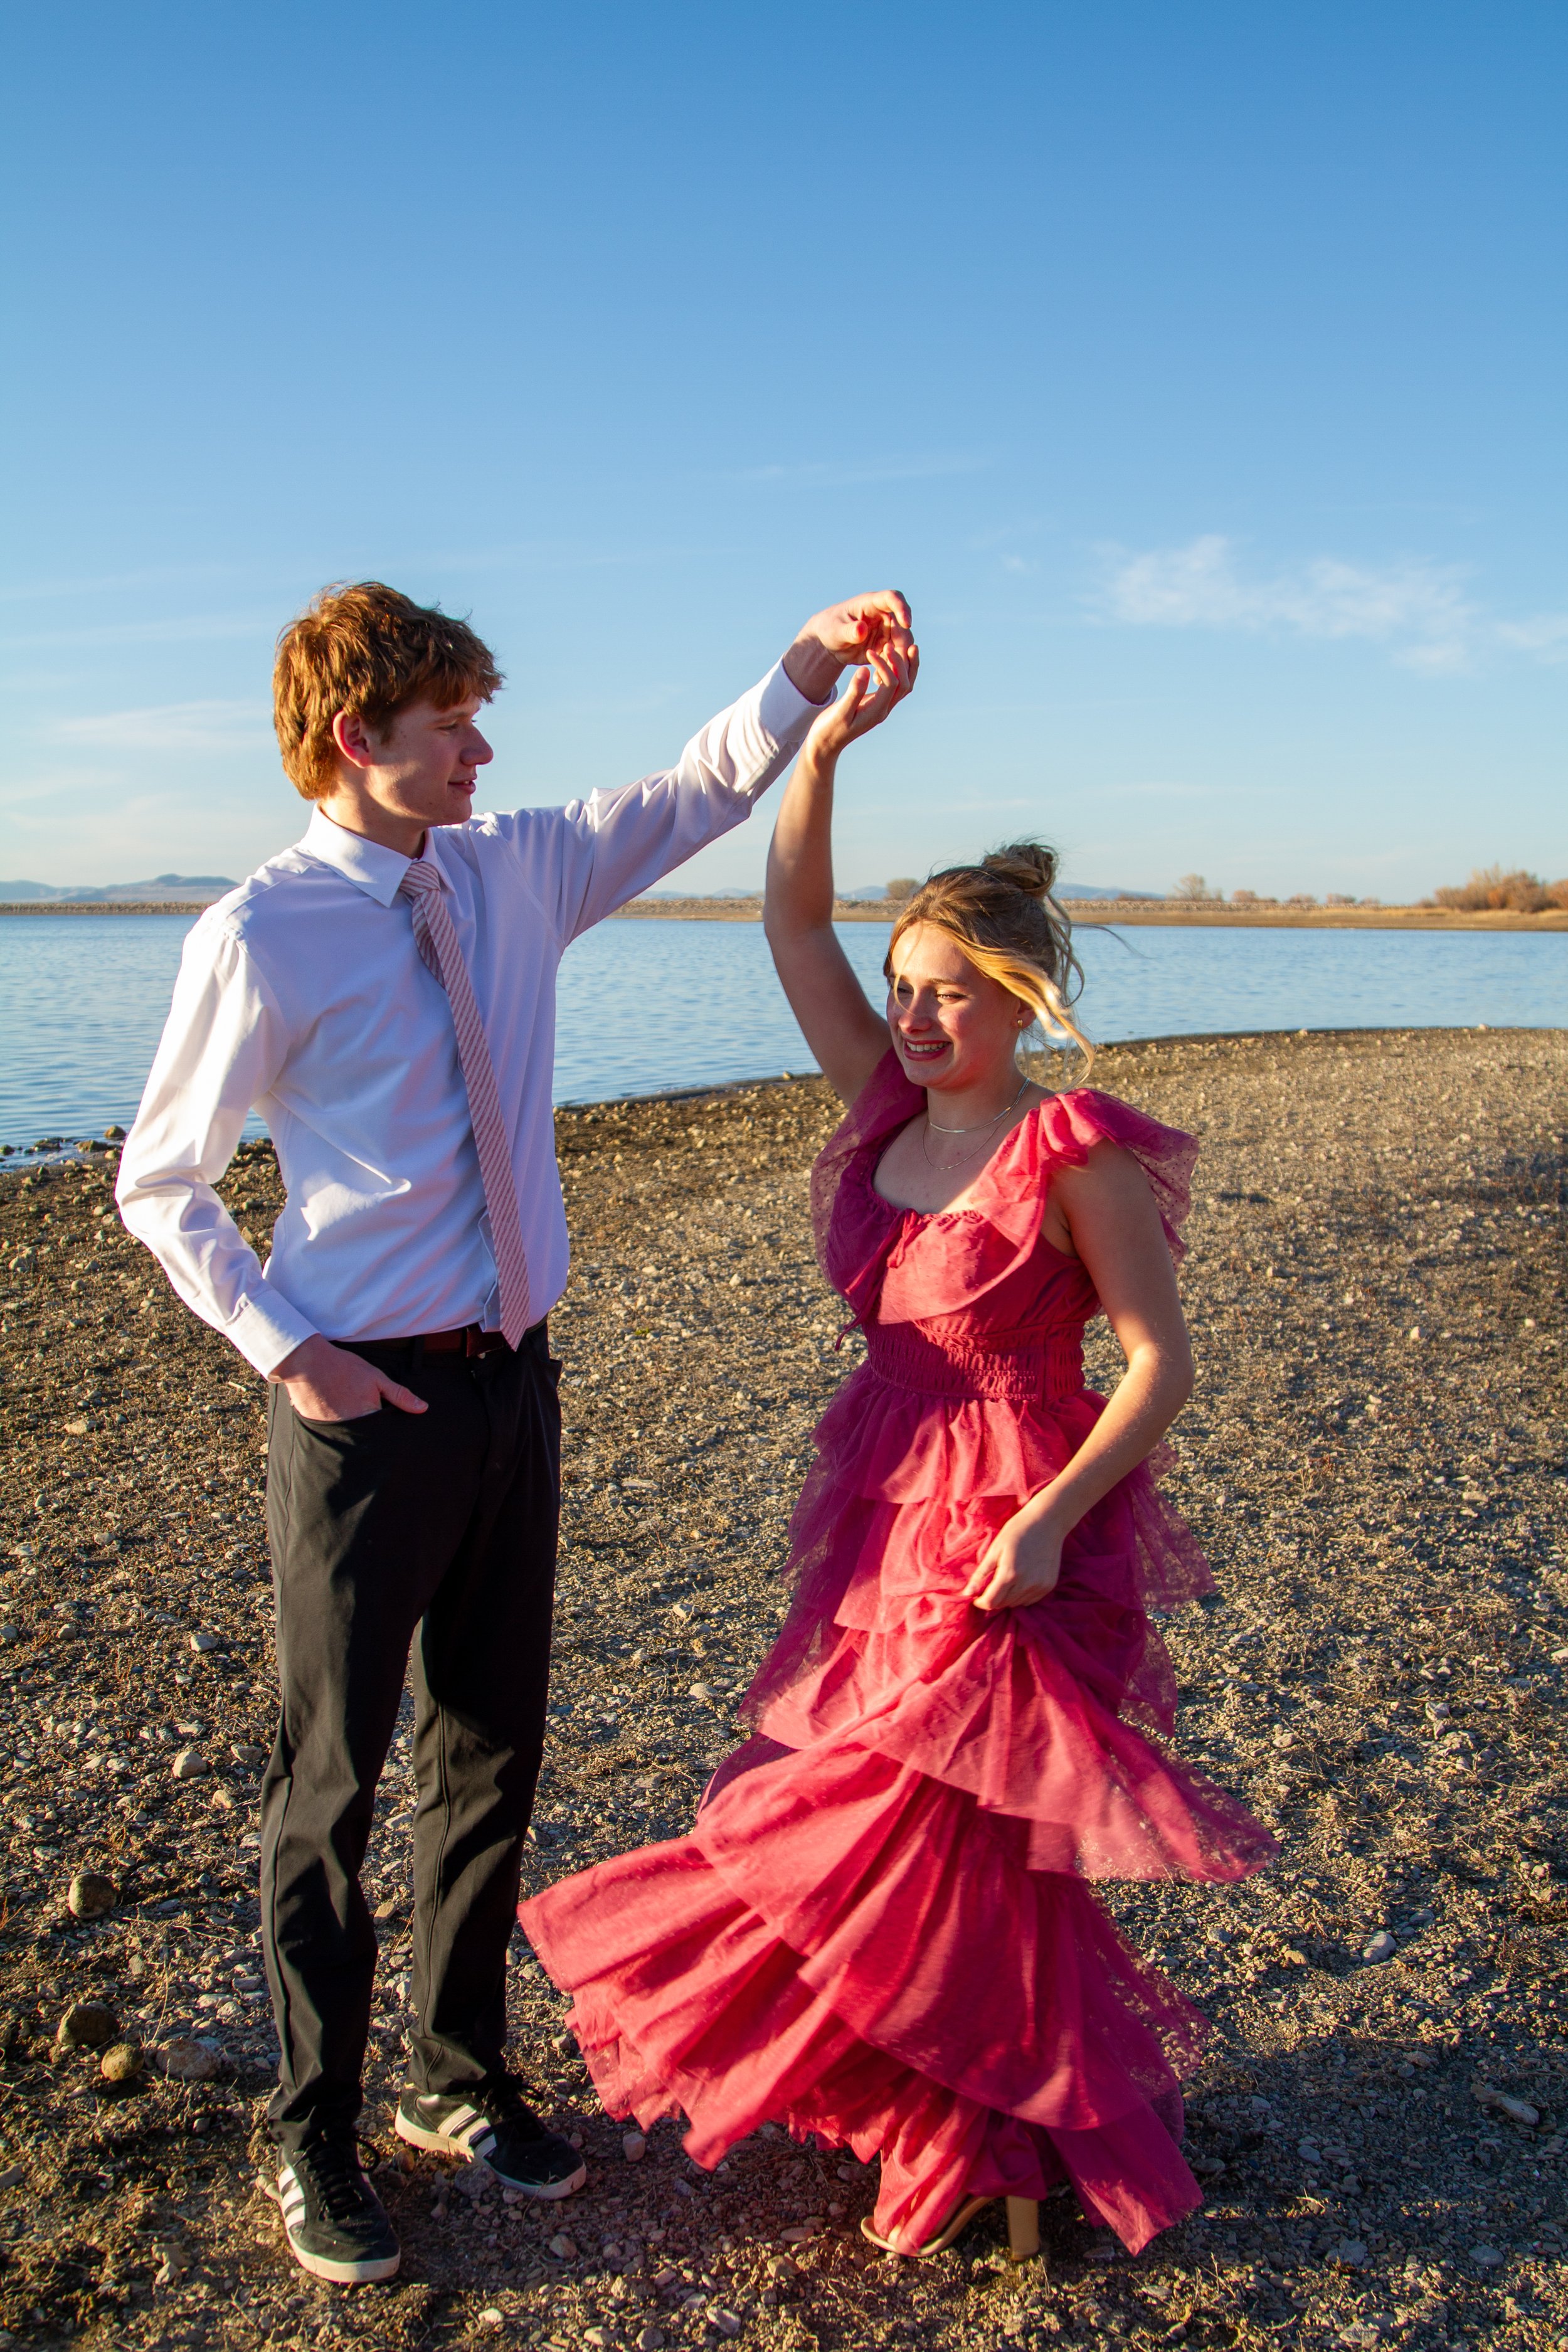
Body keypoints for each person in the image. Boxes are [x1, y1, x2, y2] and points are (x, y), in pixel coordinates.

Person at [115, 579, 916, 2285]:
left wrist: (805, 664)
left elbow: (701, 784)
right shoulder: (258, 932)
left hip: (511, 1380)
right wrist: (291, 1354)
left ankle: (456, 2074)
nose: (485, 747)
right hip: (363, 1401)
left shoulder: (509, 868)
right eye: (452, 724)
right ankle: (312, 2126)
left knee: (492, 1747)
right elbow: (159, 1181)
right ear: (358, 739)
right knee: (328, 1779)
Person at [518, 675, 1276, 2262]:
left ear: (1018, 1000)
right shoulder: (882, 1116)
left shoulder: (1072, 1153)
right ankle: (945, 2124)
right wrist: (818, 753)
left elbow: (1159, 1366)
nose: (917, 1016)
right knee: (893, 1826)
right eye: (903, 987)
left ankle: (980, 2142)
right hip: (878, 1512)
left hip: (1019, 1520)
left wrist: (1051, 1527)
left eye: (947, 991)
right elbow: (790, 926)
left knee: (941, 1834)